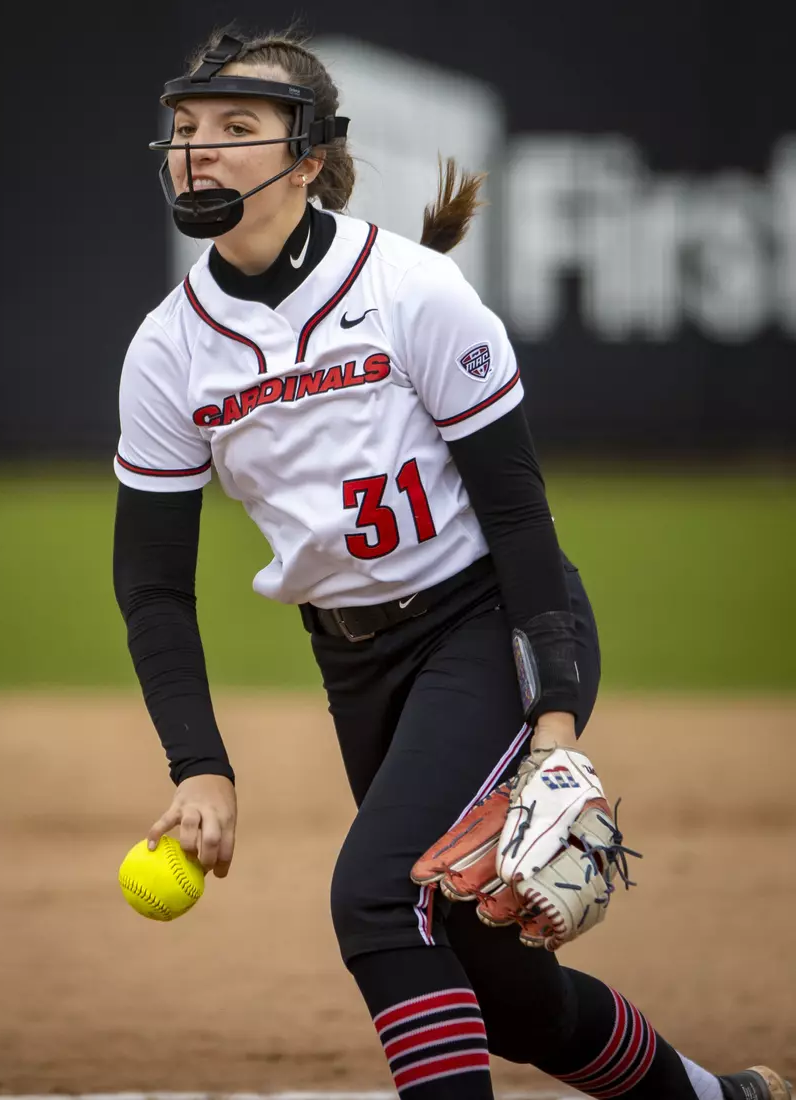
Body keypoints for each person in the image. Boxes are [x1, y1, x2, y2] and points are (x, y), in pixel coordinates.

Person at [112, 26, 791, 1100]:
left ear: (307, 154)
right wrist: (198, 761)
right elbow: (152, 583)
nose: (199, 151)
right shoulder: (167, 347)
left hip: (487, 627)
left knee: (377, 897)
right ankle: (711, 1098)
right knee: (501, 982)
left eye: (236, 129)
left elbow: (519, 515)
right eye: (187, 129)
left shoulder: (411, 290)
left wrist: (554, 718)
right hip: (358, 667)